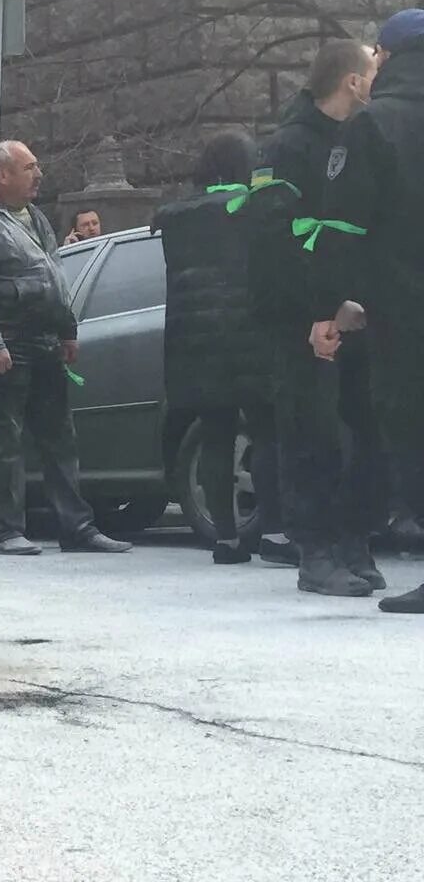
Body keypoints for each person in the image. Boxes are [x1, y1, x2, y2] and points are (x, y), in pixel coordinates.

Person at [0, 141, 129, 556]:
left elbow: (56, 279)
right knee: (4, 441)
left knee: (60, 439)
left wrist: (67, 330)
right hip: (7, 344)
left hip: (44, 342)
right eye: (29, 167)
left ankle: (77, 527)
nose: (39, 174)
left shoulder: (36, 217)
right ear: (3, 175)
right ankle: (7, 530)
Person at [251, 42, 382, 594]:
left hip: (354, 315)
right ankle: (317, 551)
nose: (378, 80)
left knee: (363, 431)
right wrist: (314, 313)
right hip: (302, 323)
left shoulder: (357, 142)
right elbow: (273, 239)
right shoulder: (284, 148)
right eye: (372, 71)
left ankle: (354, 540)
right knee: (311, 435)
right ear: (352, 82)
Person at [309, 12, 424, 613]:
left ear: (389, 56)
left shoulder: (376, 125)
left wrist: (332, 305)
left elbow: (343, 226)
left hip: (404, 312)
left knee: (410, 428)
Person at [156, 131, 286, 566]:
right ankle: (275, 530)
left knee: (215, 435)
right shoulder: (253, 208)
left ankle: (226, 539)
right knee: (266, 432)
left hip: (194, 343)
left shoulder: (175, 217)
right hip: (250, 336)